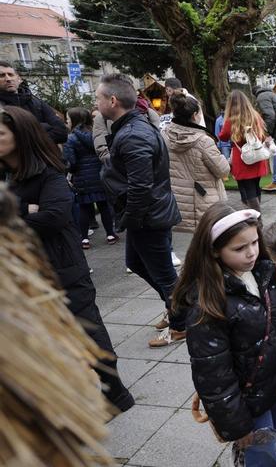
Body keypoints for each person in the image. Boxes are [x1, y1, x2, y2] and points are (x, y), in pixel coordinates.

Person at [0, 106, 135, 413]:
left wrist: (14, 215)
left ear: (19, 137)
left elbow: (54, 217)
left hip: (63, 269)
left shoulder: (48, 172)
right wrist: (27, 210)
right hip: (25, 272)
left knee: (88, 331)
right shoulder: (9, 175)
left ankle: (116, 394)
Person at [171, 202, 276, 466]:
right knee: (263, 453)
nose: (251, 252)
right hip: (248, 402)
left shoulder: (265, 273)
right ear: (214, 251)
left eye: (254, 242)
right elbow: (213, 373)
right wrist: (235, 424)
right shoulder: (208, 303)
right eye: (239, 248)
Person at [96, 73, 184, 348]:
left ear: (112, 100)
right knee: (136, 263)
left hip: (148, 218)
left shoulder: (133, 134)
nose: (95, 102)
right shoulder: (129, 128)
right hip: (144, 216)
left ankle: (182, 322)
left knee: (165, 275)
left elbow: (141, 186)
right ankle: (177, 308)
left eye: (97, 97)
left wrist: (128, 220)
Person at [162, 91, 229, 233]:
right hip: (206, 201)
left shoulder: (164, 135)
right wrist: (225, 158)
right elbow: (223, 170)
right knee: (209, 242)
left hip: (178, 201)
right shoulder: (204, 141)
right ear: (195, 115)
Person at [62, 107, 118, 248]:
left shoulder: (71, 138)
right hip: (99, 175)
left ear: (74, 120)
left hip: (82, 179)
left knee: (84, 208)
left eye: (68, 119)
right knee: (104, 206)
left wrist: (70, 171)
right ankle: (110, 234)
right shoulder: (95, 134)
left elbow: (71, 162)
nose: (66, 122)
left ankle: (85, 239)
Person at [218, 90, 271, 212]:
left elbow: (223, 136)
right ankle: (253, 217)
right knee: (255, 188)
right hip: (256, 156)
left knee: (247, 191)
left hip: (242, 159)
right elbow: (262, 136)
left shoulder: (231, 120)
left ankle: (255, 220)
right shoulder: (255, 116)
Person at [0, 61, 68, 144]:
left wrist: (26, 136)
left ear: (19, 79)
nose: (8, 79)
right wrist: (45, 126)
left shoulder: (37, 102)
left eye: (11, 75)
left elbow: (61, 133)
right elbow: (8, 141)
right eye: (2, 75)